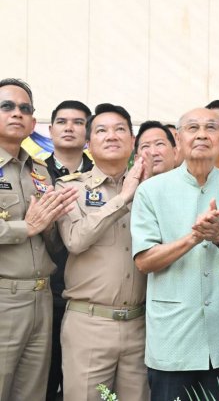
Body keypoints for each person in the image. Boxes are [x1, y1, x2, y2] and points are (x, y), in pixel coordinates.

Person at [131, 107, 219, 401]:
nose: (202, 134)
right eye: (192, 128)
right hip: (173, 338)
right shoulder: (151, 191)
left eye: (211, 127)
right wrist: (193, 237)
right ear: (178, 138)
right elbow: (144, 261)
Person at [56, 103, 149, 400]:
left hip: (140, 325)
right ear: (88, 143)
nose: (112, 135)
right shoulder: (69, 188)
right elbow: (75, 240)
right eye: (101, 130)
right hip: (89, 323)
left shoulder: (152, 190)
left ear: (132, 141)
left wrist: (138, 189)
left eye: (120, 129)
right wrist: (123, 197)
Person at [0, 79, 77, 401]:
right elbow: (29, 225)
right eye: (7, 106)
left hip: (41, 296)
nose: (17, 114)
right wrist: (26, 227)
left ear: (33, 123)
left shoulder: (41, 172)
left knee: (31, 393)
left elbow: (51, 237)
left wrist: (51, 225)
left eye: (25, 109)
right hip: (4, 298)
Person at [44, 99, 94, 401]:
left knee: (83, 382)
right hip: (46, 292)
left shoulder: (102, 173)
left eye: (78, 122)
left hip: (87, 293)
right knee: (44, 379)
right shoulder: (34, 172)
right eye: (62, 122)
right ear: (50, 130)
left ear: (88, 132)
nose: (69, 127)